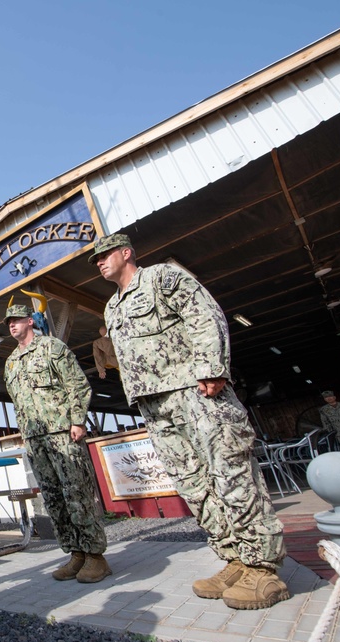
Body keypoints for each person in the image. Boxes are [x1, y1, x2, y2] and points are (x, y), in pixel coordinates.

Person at [93, 233, 289, 610]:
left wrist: (211, 367)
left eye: (104, 255)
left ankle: (263, 568)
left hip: (194, 391)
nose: (100, 263)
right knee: (194, 484)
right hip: (155, 405)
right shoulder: (111, 308)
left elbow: (203, 314)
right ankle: (234, 558)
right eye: (96, 260)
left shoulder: (162, 277)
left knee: (231, 473)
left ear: (126, 252)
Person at [3, 304, 111, 583]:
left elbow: (77, 385)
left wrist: (77, 420)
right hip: (36, 440)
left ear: (30, 321)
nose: (12, 325)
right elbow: (17, 404)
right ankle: (76, 553)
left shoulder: (52, 347)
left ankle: (96, 556)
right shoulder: (11, 362)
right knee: (54, 498)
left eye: (16, 320)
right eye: (8, 323)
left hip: (62, 433)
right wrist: (25, 435)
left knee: (77, 493)